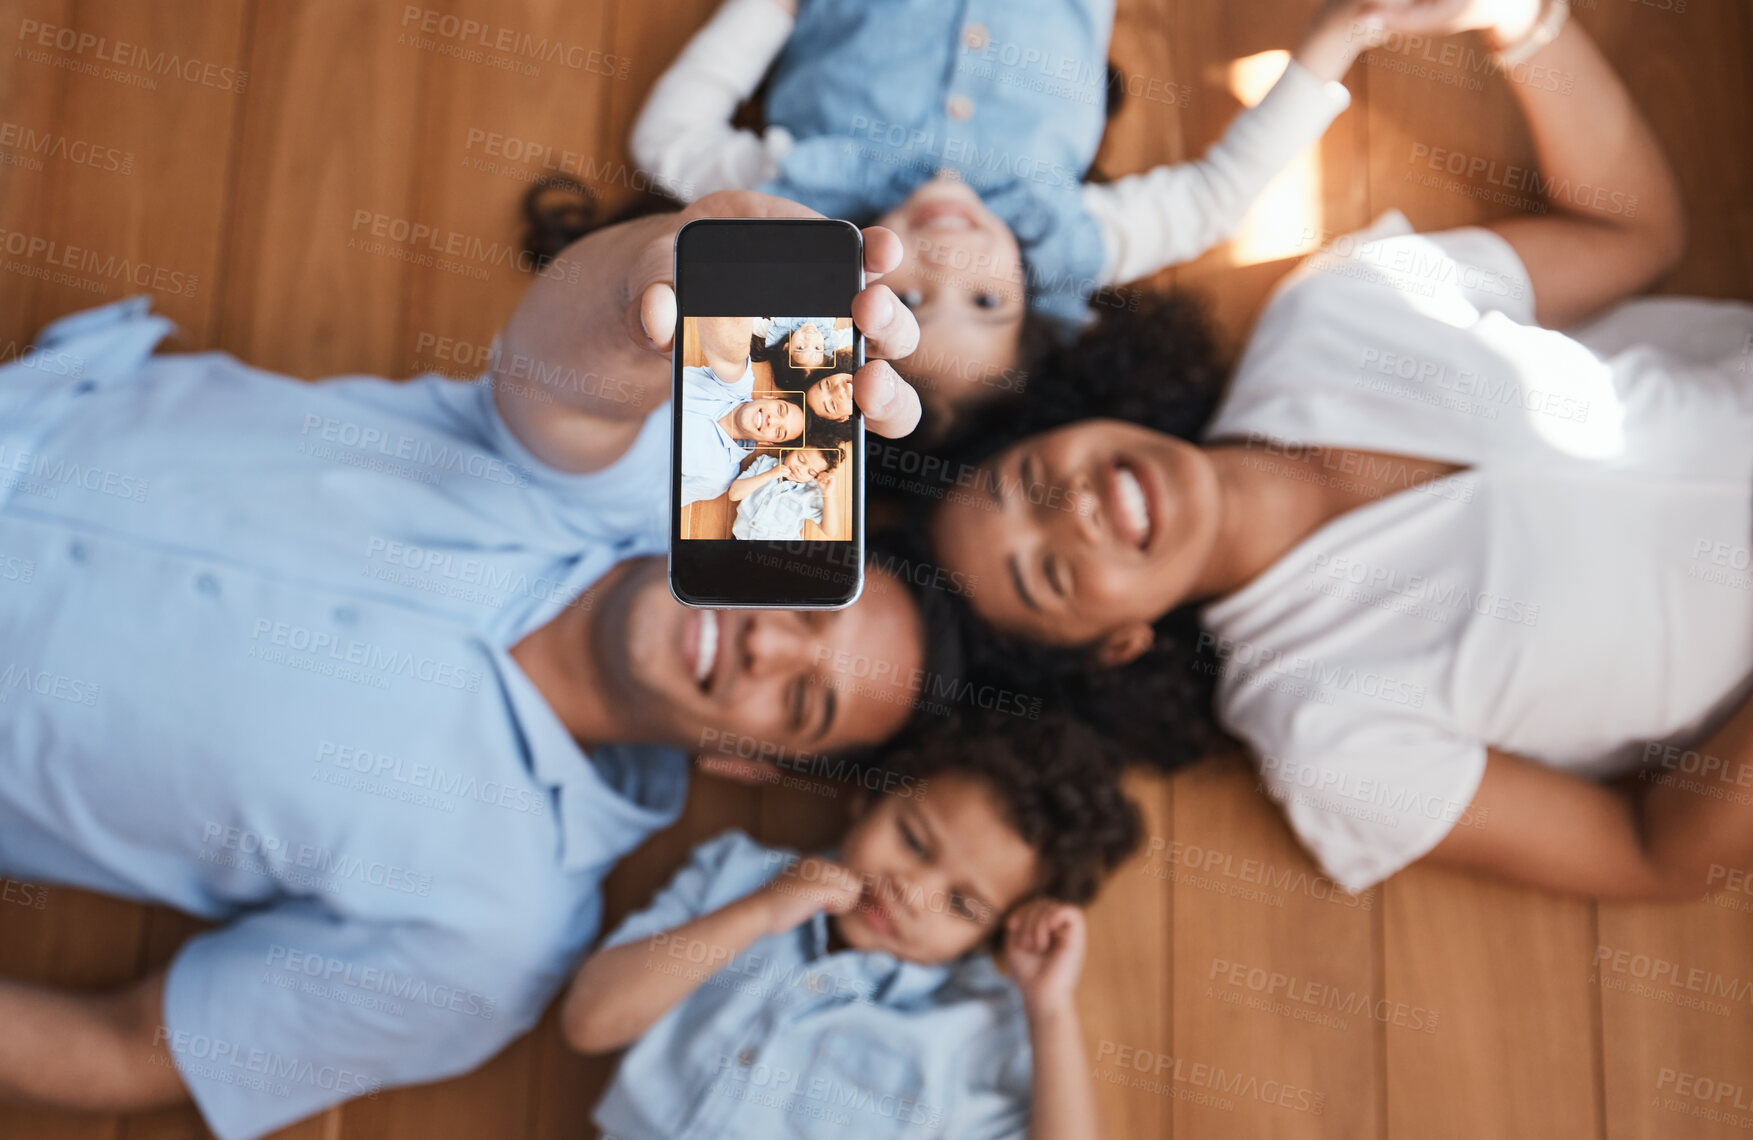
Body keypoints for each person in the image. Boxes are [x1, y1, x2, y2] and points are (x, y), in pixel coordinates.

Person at [0, 191, 936, 1140]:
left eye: (802, 698)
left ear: (746, 762)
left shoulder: (495, 940)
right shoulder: (601, 484)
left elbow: (135, 1047)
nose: (766, 642)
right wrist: (662, 266)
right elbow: (576, 359)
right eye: (805, 599)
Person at [923, 0, 1753, 903]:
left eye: (1032, 479)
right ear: (1117, 646)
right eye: (1048, 574)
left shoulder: (1335, 310)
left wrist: (1520, 23)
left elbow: (1635, 235)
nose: (1073, 514)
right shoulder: (1321, 730)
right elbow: (1650, 854)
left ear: (1068, 416)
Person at [623, 0, 1376, 429]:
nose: (948, 260)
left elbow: (666, 144)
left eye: (910, 300)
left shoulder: (803, 200)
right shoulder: (1062, 242)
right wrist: (1343, 35)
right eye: (985, 302)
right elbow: (1217, 199)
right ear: (1035, 305)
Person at [561, 715, 1141, 1140]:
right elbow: (589, 1022)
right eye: (912, 841)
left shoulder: (974, 1029)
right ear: (869, 797)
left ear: (994, 933)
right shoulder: (735, 877)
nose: (912, 892)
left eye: (962, 905)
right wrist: (759, 912)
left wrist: (1050, 1008)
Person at [680, 365, 809, 505]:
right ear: (770, 397)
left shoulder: (718, 477)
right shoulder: (738, 383)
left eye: (779, 432)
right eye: (780, 410)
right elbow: (732, 353)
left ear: (767, 443)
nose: (772, 420)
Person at [729, 446, 845, 540]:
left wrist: (828, 495)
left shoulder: (809, 492)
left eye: (811, 472)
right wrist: (770, 475)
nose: (801, 469)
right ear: (792, 448)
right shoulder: (764, 463)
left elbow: (830, 531)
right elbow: (734, 494)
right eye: (801, 459)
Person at [754, 315, 853, 369]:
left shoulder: (776, 331)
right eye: (817, 348)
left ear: (787, 347)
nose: (810, 338)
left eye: (800, 347)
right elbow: (849, 336)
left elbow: (753, 324)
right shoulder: (828, 340)